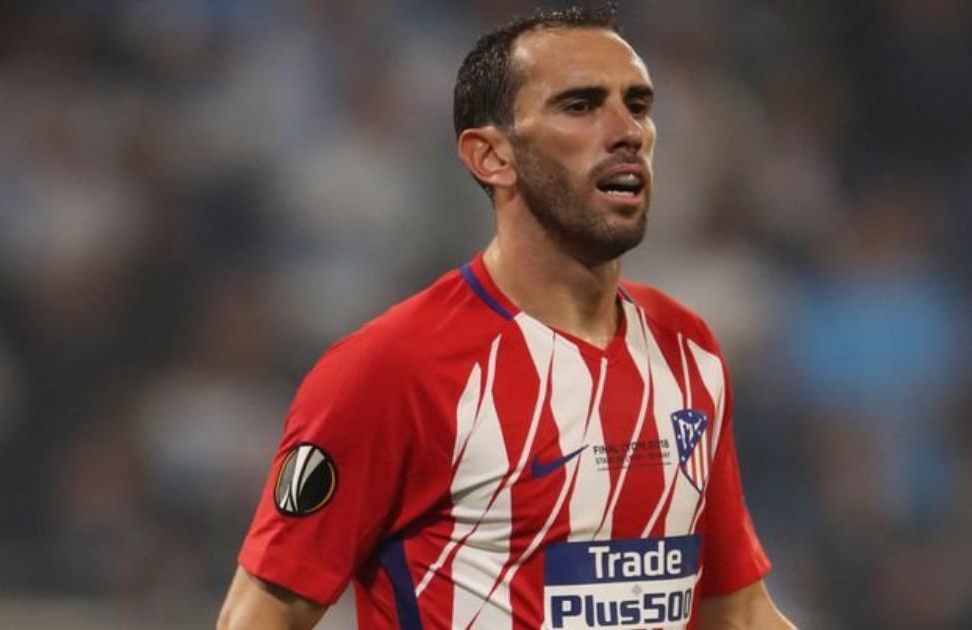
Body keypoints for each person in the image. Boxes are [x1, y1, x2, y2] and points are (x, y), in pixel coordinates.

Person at [218, 5, 794, 629]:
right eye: (580, 105)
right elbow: (259, 618)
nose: (627, 130)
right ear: (491, 156)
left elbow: (737, 613)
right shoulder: (392, 368)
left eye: (638, 105)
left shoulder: (687, 349)